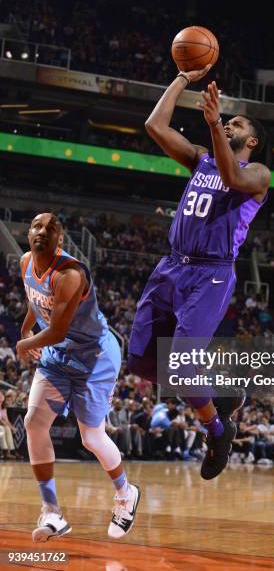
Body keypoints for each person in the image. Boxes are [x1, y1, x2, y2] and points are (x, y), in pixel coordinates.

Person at [128, 65, 270, 480]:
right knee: (140, 362)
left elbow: (232, 175)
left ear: (253, 140)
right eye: (227, 120)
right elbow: (154, 124)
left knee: (180, 363)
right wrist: (182, 79)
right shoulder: (200, 159)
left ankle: (218, 432)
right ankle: (222, 395)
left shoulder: (258, 174)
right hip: (171, 266)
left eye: (237, 123)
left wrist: (212, 125)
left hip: (210, 273)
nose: (229, 123)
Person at [16, 213, 140, 542]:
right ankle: (52, 512)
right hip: (60, 355)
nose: (42, 232)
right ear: (28, 233)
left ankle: (126, 494)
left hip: (95, 356)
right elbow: (37, 300)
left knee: (91, 438)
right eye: (37, 227)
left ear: (61, 239)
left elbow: (56, 330)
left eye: (51, 229)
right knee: (33, 422)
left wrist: (26, 342)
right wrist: (27, 325)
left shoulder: (70, 274)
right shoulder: (26, 261)